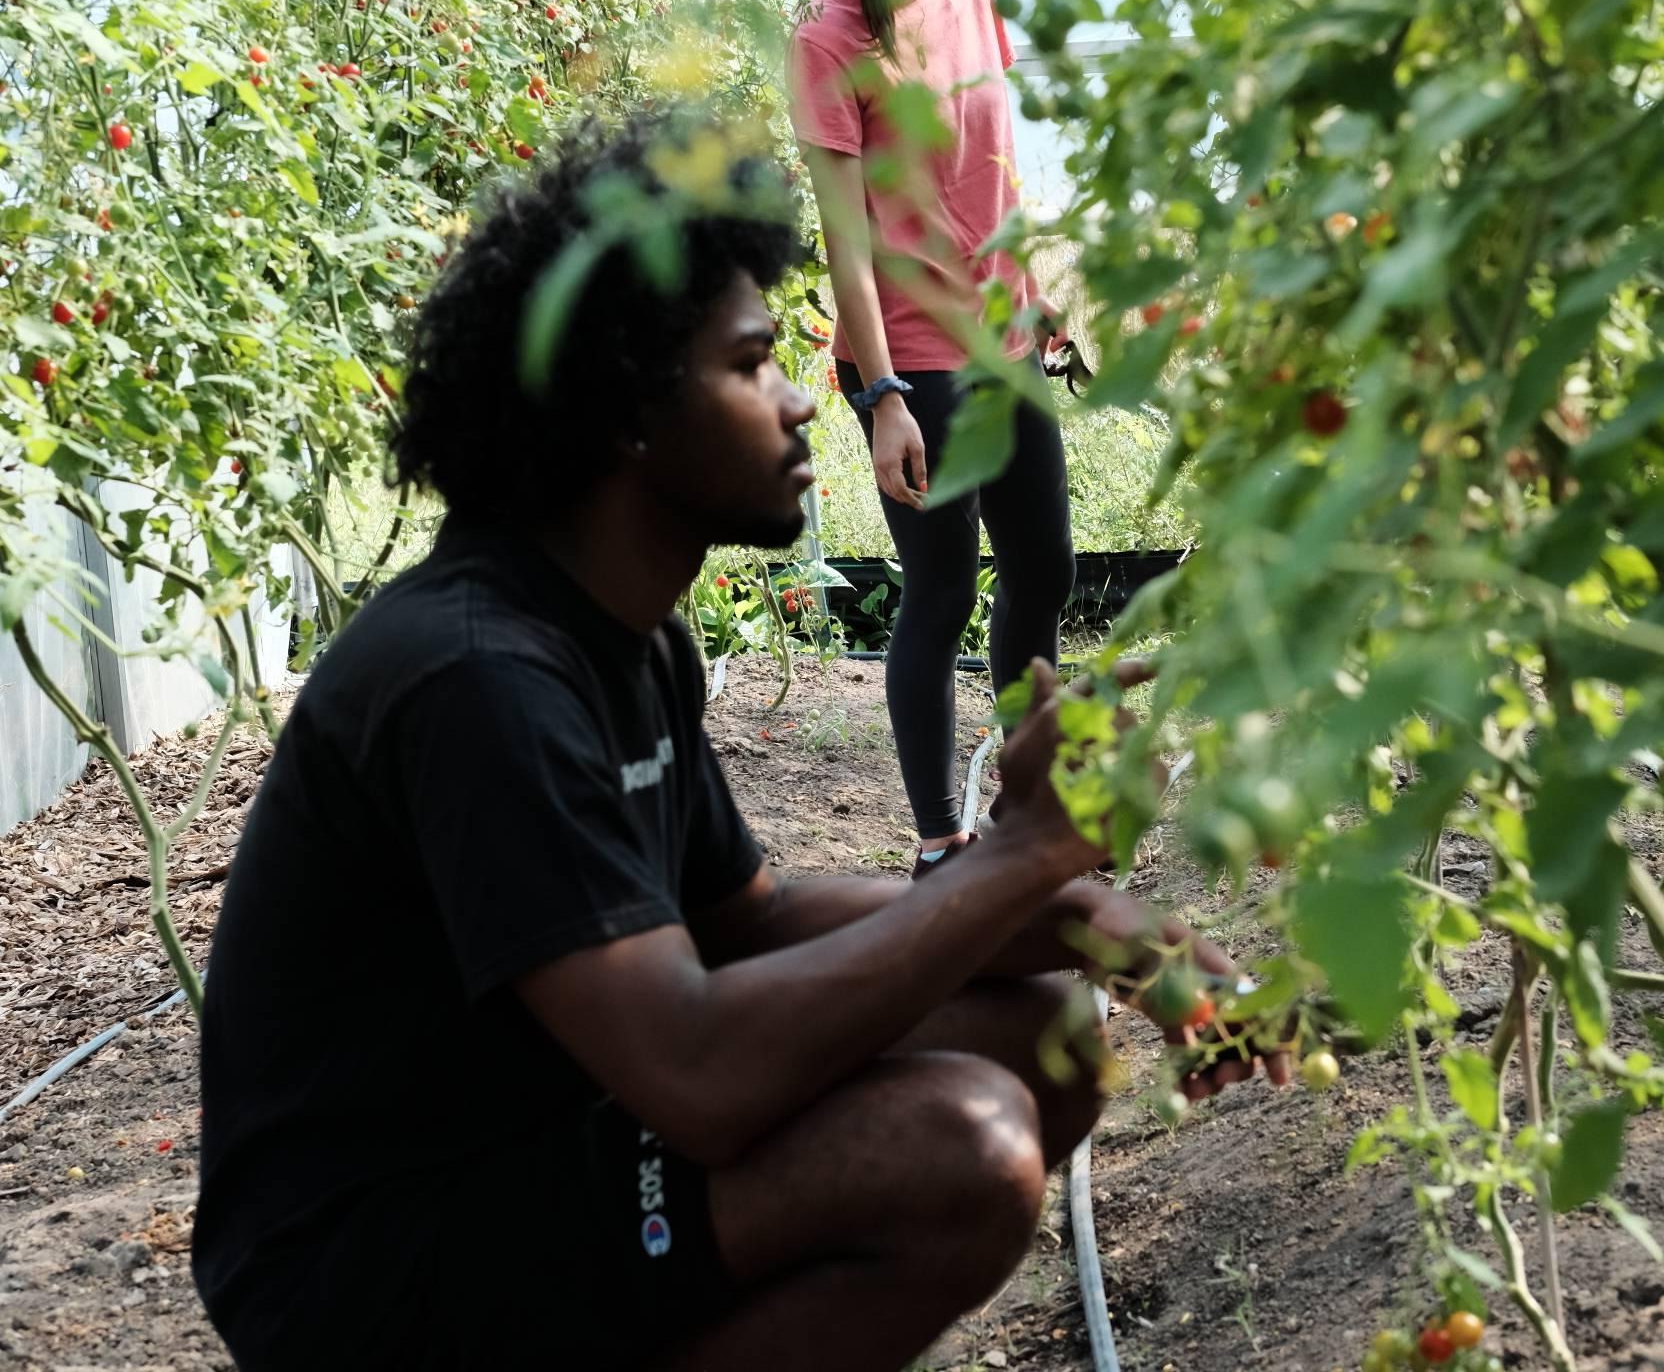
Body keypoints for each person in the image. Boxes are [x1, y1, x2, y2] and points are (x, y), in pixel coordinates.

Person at [192, 110, 1284, 1372]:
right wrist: (1018, 858)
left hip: (537, 1143)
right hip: (367, 1266)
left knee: (1039, 1029)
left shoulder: (628, 639)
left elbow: (749, 921)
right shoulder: (479, 679)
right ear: (623, 411)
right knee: (959, 1144)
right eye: (753, 361)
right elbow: (700, 1070)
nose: (799, 403)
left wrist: (1107, 926)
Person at [788, 0, 1076, 877]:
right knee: (942, 591)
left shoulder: (970, 1)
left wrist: (1035, 279)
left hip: (1004, 343)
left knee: (1041, 570)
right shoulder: (830, 43)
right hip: (916, 361)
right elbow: (845, 242)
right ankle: (936, 844)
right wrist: (883, 398)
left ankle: (1025, 804)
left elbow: (990, 158)